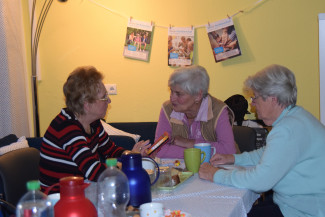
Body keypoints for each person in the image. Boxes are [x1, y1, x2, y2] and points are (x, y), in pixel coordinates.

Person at [199, 64, 325, 217]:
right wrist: (233, 158)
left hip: (301, 211)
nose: (252, 104)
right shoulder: (296, 118)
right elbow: (269, 153)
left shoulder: (287, 130)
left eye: (255, 97)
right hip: (292, 203)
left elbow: (259, 182)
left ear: (273, 99)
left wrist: (215, 174)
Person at [39, 66, 150, 193]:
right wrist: (128, 163)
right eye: (104, 97)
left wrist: (131, 155)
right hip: (60, 198)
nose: (109, 100)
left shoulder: (93, 123)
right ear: (87, 104)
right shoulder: (66, 127)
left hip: (82, 190)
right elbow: (94, 171)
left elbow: (110, 150)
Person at [154, 65, 237, 158]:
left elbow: (228, 150)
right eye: (171, 91)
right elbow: (158, 149)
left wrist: (189, 143)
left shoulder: (218, 110)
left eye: (178, 94)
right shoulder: (168, 109)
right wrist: (195, 152)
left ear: (198, 95)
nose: (172, 98)